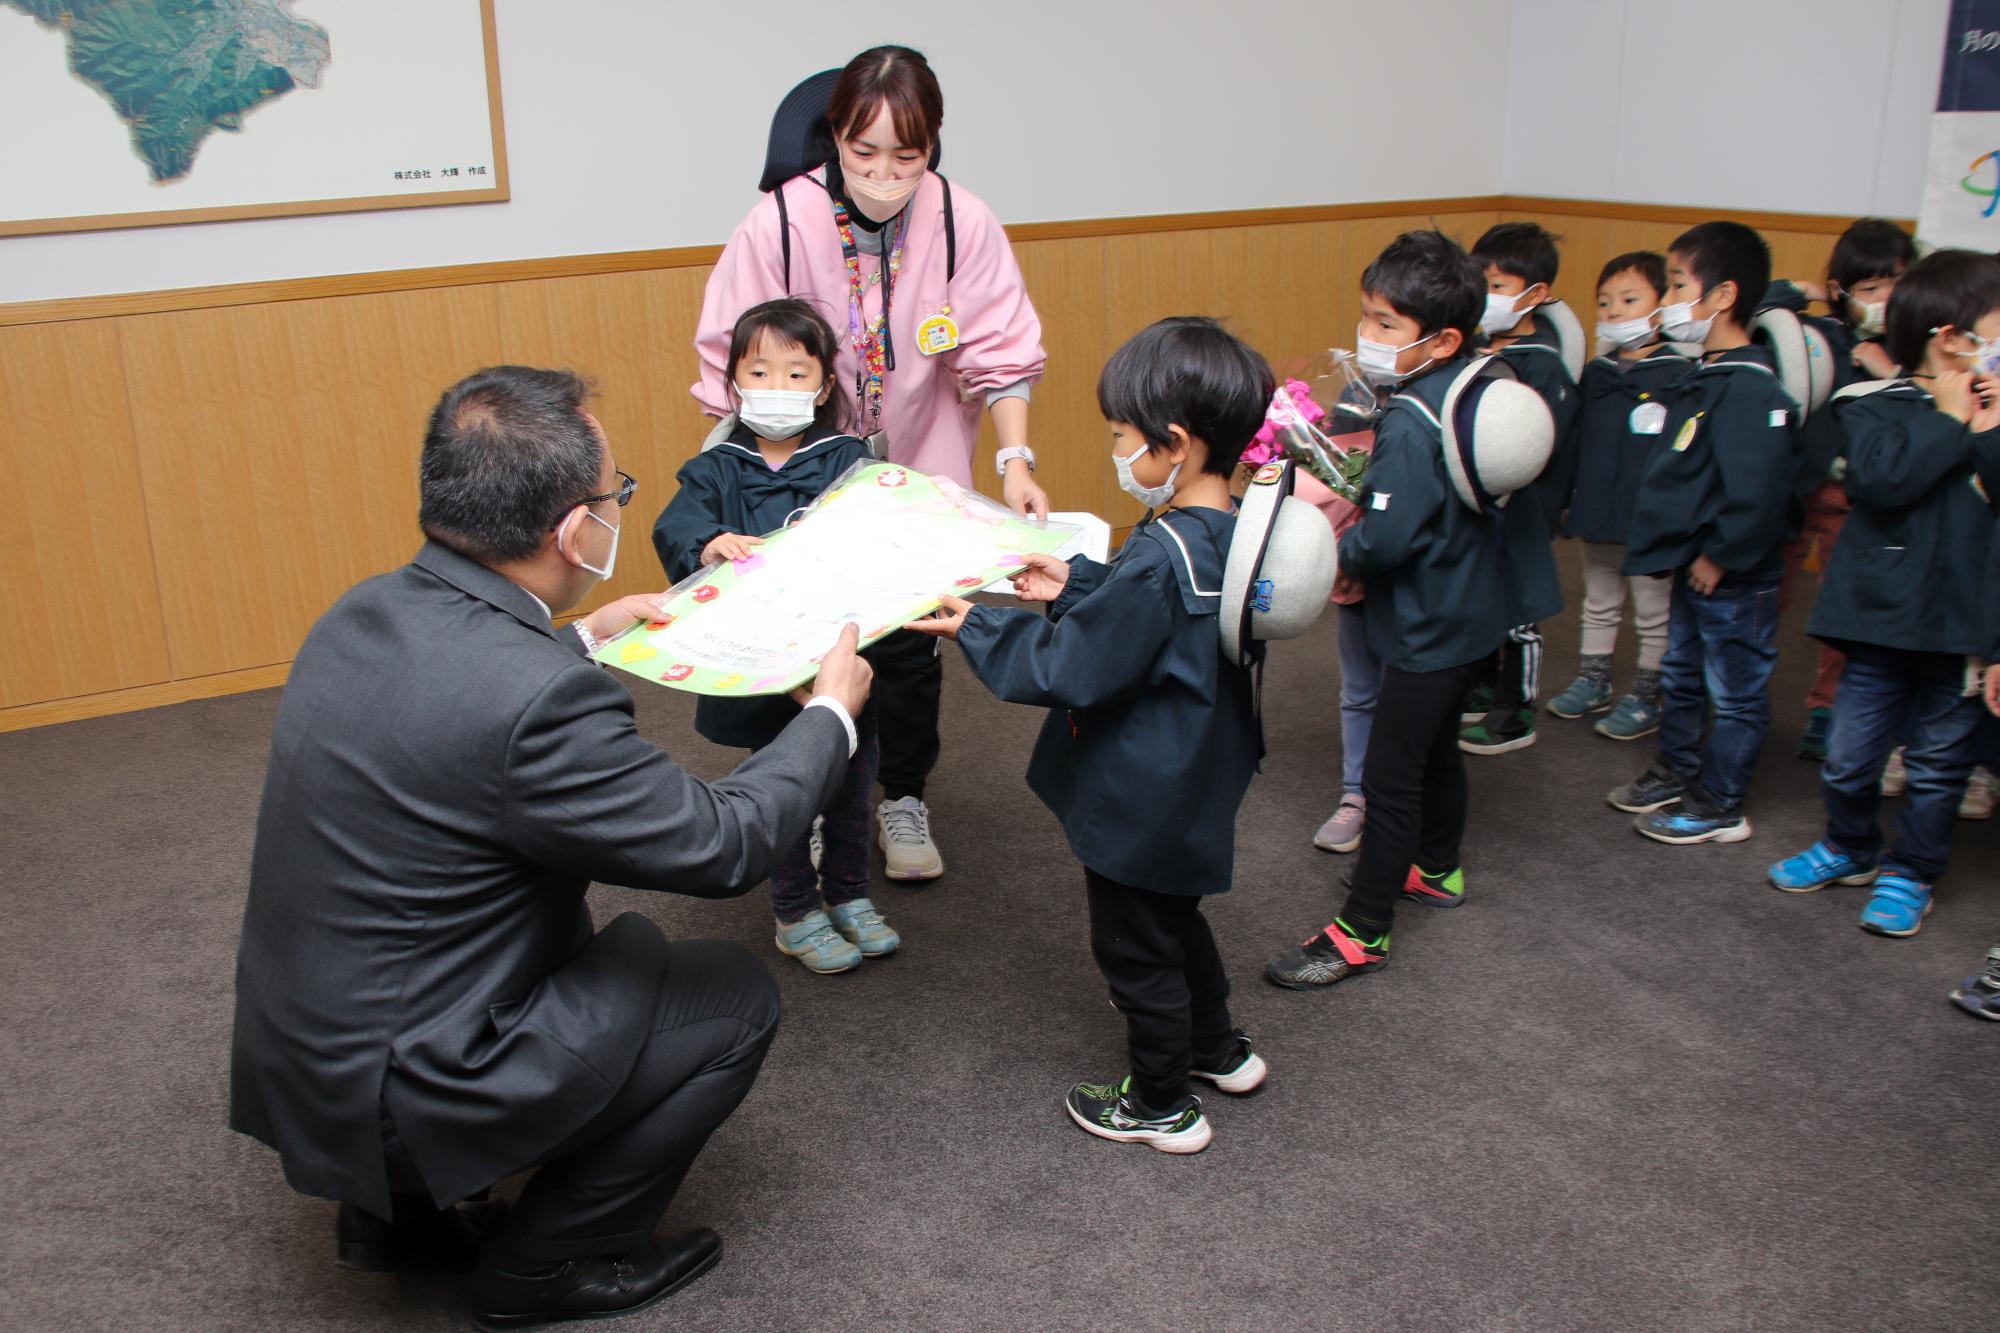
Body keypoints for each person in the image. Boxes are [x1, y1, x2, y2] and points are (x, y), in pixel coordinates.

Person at [228, 366, 872, 1330]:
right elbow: (723, 843)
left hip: (309, 1056)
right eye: (617, 494)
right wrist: (830, 713)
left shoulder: (358, 613)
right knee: (730, 998)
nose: (619, 508)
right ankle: (543, 1264)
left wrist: (581, 638)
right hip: (410, 1083)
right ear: (575, 531)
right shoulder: (535, 703)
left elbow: (453, 716)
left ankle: (393, 1224)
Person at [911, 317, 1273, 1154]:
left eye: (1121, 436)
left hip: (1144, 786)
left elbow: (1075, 667)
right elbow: (1151, 626)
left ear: (1173, 444)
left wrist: (977, 629)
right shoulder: (1224, 533)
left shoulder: (1160, 555)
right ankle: (1217, 1048)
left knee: (1134, 947)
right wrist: (1080, 579)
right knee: (1174, 916)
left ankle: (1159, 1103)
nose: (1117, 450)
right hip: (1199, 767)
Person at [693, 45, 1048, 882]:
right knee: (812, 640)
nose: (886, 172)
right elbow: (729, 364)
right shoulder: (779, 221)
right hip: (803, 473)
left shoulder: (964, 221)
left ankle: (902, 794)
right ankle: (810, 798)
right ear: (834, 139)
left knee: (912, 643)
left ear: (934, 147)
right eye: (864, 152)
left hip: (919, 463)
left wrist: (1017, 459)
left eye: (908, 155)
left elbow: (1002, 352)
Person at [1266, 231, 1517, 990]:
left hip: (1424, 624)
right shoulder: (1481, 379)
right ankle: (1438, 867)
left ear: (1441, 338)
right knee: (1436, 747)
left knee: (1391, 772)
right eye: (1367, 318)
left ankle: (1362, 930)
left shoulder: (1408, 418)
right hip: (1474, 610)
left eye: (1385, 325)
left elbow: (1393, 534)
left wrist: (1342, 560)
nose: (1366, 338)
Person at [655, 299, 899, 975]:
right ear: (734, 380)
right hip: (766, 662)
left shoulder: (846, 457)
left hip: (843, 655)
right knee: (785, 790)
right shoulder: (715, 468)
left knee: (853, 787)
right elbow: (675, 526)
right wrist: (707, 543)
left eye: (797, 373)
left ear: (824, 387)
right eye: (759, 370)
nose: (777, 387)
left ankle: (849, 893)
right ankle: (795, 911)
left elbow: (885, 526)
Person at [1765, 249, 2000, 938]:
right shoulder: (1875, 405)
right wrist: (1949, 419)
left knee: (1936, 769)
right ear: (1951, 337)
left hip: (1961, 631)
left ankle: (1913, 870)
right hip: (1878, 625)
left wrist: (1983, 425)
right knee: (1849, 755)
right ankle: (1850, 844)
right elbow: (1882, 480)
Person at [1609, 222, 1799, 845]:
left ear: (1722, 297)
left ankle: (1721, 801)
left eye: (1678, 286)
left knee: (1734, 688)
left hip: (1733, 575)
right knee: (1683, 673)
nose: (1668, 301)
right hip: (1698, 566)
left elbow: (1758, 494)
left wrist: (1720, 554)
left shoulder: (1752, 389)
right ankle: (1678, 768)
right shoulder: (1707, 377)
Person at [1765, 219, 1916, 759]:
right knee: (1767, 591)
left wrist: (1892, 370)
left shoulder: (1911, 349)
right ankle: (1744, 696)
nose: (1886, 299)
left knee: (1841, 603)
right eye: (1872, 289)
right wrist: (1801, 290)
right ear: (1843, 291)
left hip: (1855, 499)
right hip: (1797, 483)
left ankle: (1827, 707)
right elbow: (1757, 303)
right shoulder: (1823, 332)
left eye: (1897, 284)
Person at [1545, 251, 1696, 740]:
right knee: (1600, 598)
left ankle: (1648, 692)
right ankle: (1595, 679)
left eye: (1630, 300)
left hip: (1650, 517)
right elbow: (1577, 442)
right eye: (1605, 303)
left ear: (1662, 306)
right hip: (1598, 509)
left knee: (1654, 610)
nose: (1614, 313)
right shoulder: (1599, 373)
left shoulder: (1679, 375)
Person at [1458, 221, 1575, 756]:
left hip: (1522, 511)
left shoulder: (1542, 365)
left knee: (1519, 616)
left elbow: (1542, 446)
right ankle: (1483, 686)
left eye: (1500, 286)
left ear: (1536, 294)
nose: (1488, 297)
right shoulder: (1476, 354)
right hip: (1481, 508)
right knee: (1483, 602)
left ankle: (1515, 709)